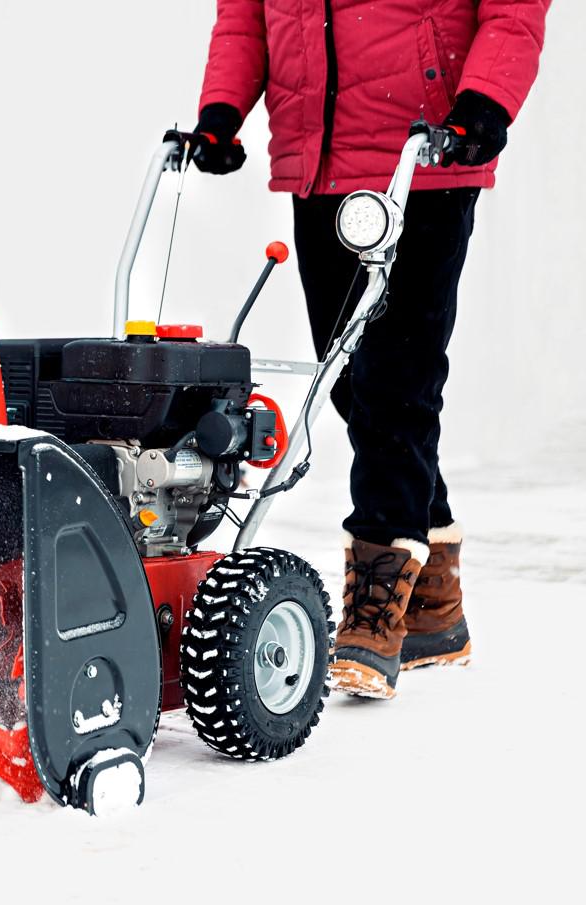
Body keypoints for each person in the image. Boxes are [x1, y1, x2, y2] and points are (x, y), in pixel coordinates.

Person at [193, 1, 550, 698]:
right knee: (351, 380)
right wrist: (222, 111)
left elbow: (513, 11)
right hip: (316, 162)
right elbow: (244, 19)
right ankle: (436, 607)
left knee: (396, 383)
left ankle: (375, 606)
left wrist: (484, 104)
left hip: (424, 158)